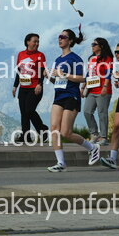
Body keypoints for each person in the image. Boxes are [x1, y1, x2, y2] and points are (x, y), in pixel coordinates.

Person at [46, 28, 100, 172]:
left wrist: (64, 74)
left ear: (70, 41)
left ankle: (92, 147)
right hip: (59, 96)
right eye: (59, 36)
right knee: (54, 129)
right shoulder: (58, 60)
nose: (60, 38)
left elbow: (83, 78)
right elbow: (58, 81)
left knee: (66, 132)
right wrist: (49, 77)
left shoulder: (75, 59)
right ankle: (61, 163)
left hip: (71, 96)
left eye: (63, 37)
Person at [12, 33, 49, 143]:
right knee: (24, 113)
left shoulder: (40, 55)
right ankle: (26, 136)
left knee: (29, 110)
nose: (37, 43)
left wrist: (40, 84)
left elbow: (42, 71)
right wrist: (15, 86)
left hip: (35, 87)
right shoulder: (21, 54)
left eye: (38, 42)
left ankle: (42, 129)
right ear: (28, 42)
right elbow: (19, 72)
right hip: (23, 87)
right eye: (34, 41)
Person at [82, 38, 113, 145]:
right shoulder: (92, 59)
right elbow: (88, 73)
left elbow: (108, 73)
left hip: (103, 90)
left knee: (102, 113)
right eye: (92, 44)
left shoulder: (107, 58)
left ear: (101, 46)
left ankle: (104, 137)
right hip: (91, 89)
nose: (92, 46)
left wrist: (105, 86)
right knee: (87, 111)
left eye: (94, 44)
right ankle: (94, 133)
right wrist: (83, 87)